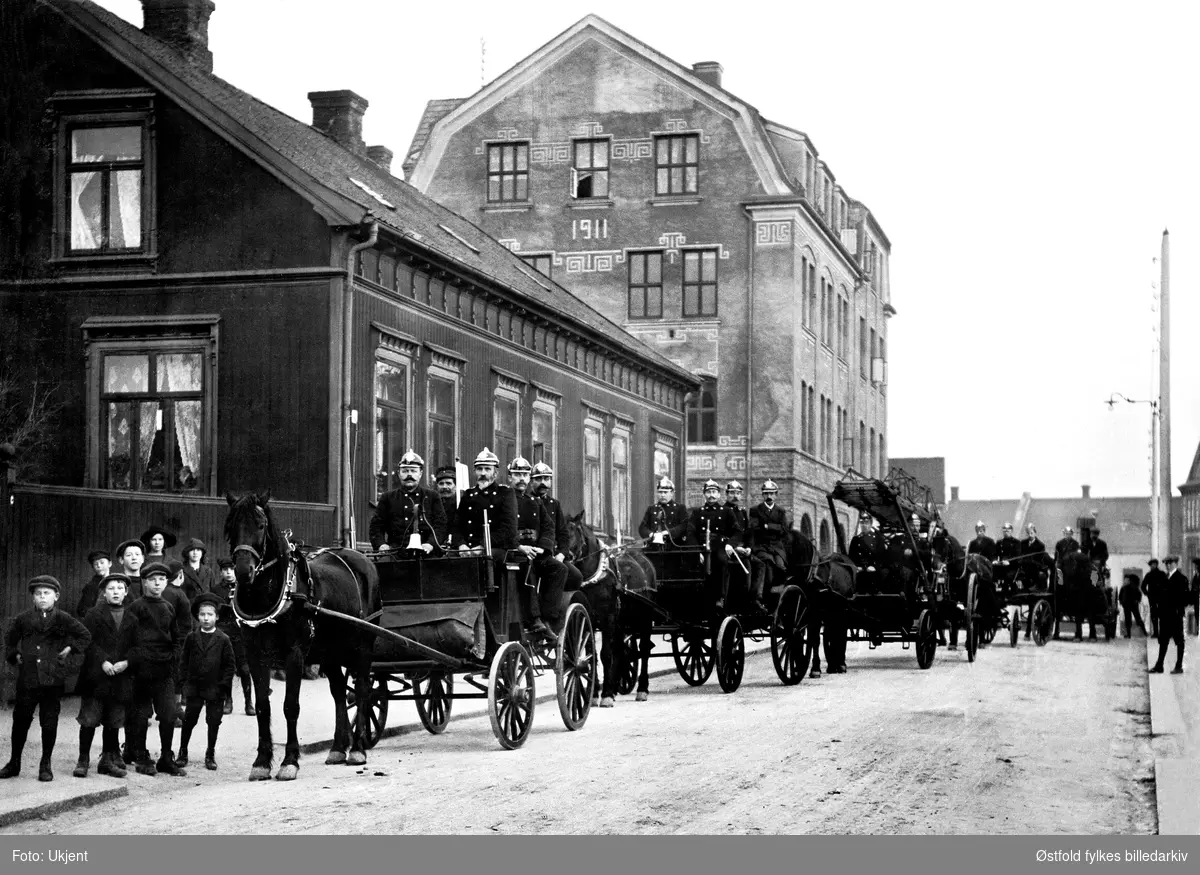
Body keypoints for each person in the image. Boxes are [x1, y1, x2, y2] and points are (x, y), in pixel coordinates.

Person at [1, 577, 91, 781]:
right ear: (33, 596)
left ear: (56, 596)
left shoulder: (63, 618)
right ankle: (14, 763)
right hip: (28, 678)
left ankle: (45, 764)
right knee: (21, 721)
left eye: (47, 593)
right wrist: (14, 655)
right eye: (38, 593)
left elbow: (84, 635)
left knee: (49, 722)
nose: (43, 597)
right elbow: (10, 640)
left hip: (53, 679)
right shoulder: (23, 619)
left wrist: (69, 649)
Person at [125, 562, 187, 777]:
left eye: (162, 579)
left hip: (164, 670)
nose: (158, 583)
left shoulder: (169, 607)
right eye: (153, 579)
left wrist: (173, 659)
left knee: (168, 715)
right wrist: (137, 662)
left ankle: (166, 758)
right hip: (142, 671)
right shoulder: (136, 607)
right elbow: (128, 639)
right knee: (141, 715)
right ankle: (141, 756)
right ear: (145, 582)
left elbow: (177, 637)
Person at [75, 572, 137, 779]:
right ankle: (83, 759)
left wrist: (126, 662)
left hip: (121, 677)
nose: (116, 592)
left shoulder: (132, 617)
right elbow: (87, 641)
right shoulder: (93, 614)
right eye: (111, 588)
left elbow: (138, 646)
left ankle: (107, 761)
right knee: (90, 719)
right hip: (97, 676)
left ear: (126, 592)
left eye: (120, 588)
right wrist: (103, 661)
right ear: (104, 592)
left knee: (114, 720)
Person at [508, 456, 568, 637]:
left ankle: (548, 617)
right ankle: (534, 619)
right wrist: (520, 547)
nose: (521, 479)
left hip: (536, 551)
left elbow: (549, 526)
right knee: (528, 568)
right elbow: (503, 529)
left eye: (525, 475)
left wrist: (543, 547)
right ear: (510, 477)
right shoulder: (505, 498)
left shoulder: (534, 501)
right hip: (516, 551)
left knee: (560, 569)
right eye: (517, 474)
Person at [176, 593, 235, 771]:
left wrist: (223, 687)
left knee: (214, 721)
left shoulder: (223, 639)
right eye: (202, 615)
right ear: (198, 617)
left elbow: (229, 666)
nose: (206, 618)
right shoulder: (192, 638)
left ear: (217, 617)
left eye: (210, 615)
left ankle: (210, 754)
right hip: (194, 688)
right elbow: (183, 662)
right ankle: (182, 751)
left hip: (215, 690)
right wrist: (184, 684)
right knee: (189, 720)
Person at [369, 449, 448, 555]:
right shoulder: (388, 498)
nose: (409, 475)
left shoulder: (432, 496)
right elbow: (376, 526)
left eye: (413, 471)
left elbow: (441, 525)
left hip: (427, 554)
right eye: (405, 471)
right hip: (396, 553)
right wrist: (381, 545)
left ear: (420, 473)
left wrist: (430, 544)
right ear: (399, 474)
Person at [689, 478, 743, 611]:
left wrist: (730, 544)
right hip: (701, 547)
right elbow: (690, 533)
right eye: (708, 492)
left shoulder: (726, 512)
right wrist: (697, 551)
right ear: (704, 494)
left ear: (719, 494)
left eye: (714, 492)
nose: (711, 495)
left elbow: (737, 531)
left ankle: (720, 597)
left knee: (721, 561)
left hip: (719, 546)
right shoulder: (697, 512)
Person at [531, 462, 584, 593]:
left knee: (576, 577)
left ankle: (559, 602)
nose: (543, 482)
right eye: (538, 479)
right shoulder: (527, 501)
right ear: (531, 481)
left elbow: (563, 534)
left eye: (546, 478)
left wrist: (561, 554)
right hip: (535, 555)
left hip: (554, 555)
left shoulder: (554, 504)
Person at [212, 558, 254, 716]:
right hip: (225, 634)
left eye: (231, 569)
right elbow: (214, 610)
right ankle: (228, 701)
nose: (228, 573)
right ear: (221, 572)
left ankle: (249, 702)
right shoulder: (216, 589)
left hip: (242, 634)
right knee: (226, 670)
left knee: (244, 669)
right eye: (225, 570)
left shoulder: (245, 587)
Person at [749, 481, 790, 611]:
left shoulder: (780, 511)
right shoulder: (756, 510)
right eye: (766, 493)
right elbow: (754, 528)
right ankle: (761, 596)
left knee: (781, 567)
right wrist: (774, 528)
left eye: (772, 493)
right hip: (761, 546)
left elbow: (784, 529)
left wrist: (768, 526)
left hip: (776, 547)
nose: (769, 496)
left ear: (776, 495)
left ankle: (778, 595)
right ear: (763, 495)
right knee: (767, 563)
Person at [723, 480, 759, 610]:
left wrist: (749, 547)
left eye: (738, 493)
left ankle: (755, 597)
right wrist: (735, 547)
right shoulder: (723, 511)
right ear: (726, 494)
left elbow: (748, 533)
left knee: (760, 564)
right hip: (730, 550)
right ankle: (743, 602)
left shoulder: (742, 512)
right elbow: (723, 533)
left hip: (743, 549)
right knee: (747, 567)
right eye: (732, 493)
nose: (735, 496)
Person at [1150, 556, 1187, 674]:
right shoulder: (1165, 578)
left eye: (1170, 563)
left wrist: (1178, 611)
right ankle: (1159, 665)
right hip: (1165, 615)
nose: (1168, 565)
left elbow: (1183, 598)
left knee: (1179, 640)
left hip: (1175, 615)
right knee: (1163, 640)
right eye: (1166, 563)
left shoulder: (1181, 579)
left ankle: (1179, 666)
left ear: (1176, 563)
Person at [638, 476, 691, 548]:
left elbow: (684, 526)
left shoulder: (680, 508)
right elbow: (642, 527)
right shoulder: (651, 509)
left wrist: (668, 532)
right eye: (660, 492)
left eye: (665, 492)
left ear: (672, 493)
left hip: (673, 549)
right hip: (654, 549)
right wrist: (650, 534)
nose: (662, 495)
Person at [849, 512, 885, 592]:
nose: (864, 525)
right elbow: (851, 556)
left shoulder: (878, 539)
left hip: (874, 572)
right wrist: (856, 567)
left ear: (871, 524)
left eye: (866, 523)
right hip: (859, 571)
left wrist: (874, 567)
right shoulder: (856, 539)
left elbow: (881, 556)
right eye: (862, 523)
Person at [75, 550, 112, 619]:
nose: (99, 566)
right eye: (95, 564)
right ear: (93, 567)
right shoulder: (90, 586)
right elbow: (81, 610)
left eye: (102, 562)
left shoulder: (119, 582)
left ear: (110, 564)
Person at [180, 538, 217, 604]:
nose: (195, 552)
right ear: (187, 553)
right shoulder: (181, 571)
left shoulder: (208, 571)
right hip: (188, 608)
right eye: (192, 550)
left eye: (198, 550)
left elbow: (213, 592)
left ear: (202, 553)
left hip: (205, 607)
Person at [1142, 558, 1167, 638]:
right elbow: (1143, 586)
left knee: (1162, 615)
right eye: (1152, 565)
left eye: (1154, 564)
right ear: (1150, 566)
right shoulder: (1148, 575)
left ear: (1156, 565)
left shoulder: (1162, 574)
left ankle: (1162, 632)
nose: (1153, 566)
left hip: (1161, 597)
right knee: (1154, 616)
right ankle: (1156, 633)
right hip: (1152, 598)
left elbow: (1167, 585)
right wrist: (1147, 594)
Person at [994, 523, 1021, 596]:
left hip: (1013, 566)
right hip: (1001, 565)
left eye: (1008, 530)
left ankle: (1008, 593)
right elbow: (995, 554)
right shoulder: (999, 542)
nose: (1006, 532)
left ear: (1011, 531)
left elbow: (1018, 556)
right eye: (1004, 530)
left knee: (1007, 576)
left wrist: (1009, 562)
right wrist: (995, 560)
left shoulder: (1016, 542)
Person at [434, 465, 459, 545]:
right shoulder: (433, 504)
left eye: (448, 483)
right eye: (441, 484)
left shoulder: (461, 503)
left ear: (455, 486)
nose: (444, 487)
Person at [1119, 572, 1147, 638]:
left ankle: (1145, 632)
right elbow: (1120, 596)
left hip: (1133, 605)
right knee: (1128, 620)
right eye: (1125, 580)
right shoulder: (1123, 588)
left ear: (1129, 580)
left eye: (1127, 580)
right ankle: (1128, 635)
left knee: (1138, 619)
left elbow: (1139, 594)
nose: (1125, 581)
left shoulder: (1134, 587)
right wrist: (1121, 602)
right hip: (1126, 606)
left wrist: (1137, 601)